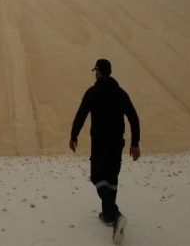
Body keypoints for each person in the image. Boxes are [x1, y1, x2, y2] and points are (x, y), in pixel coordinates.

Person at [69, 58, 141, 245]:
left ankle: (116, 215)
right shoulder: (121, 93)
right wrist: (135, 143)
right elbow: (134, 118)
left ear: (98, 72)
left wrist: (74, 135)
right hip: (118, 142)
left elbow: (81, 114)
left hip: (100, 142)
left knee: (97, 176)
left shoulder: (93, 93)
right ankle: (108, 215)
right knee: (112, 177)